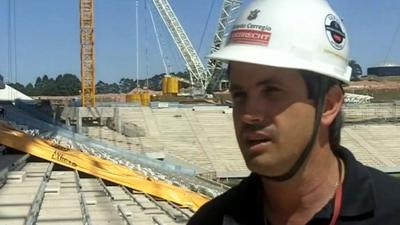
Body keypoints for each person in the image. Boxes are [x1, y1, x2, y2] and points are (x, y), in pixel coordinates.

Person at [188, 0, 400, 224]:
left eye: (272, 91)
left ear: (328, 105)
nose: (248, 115)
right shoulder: (210, 220)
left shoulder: (392, 211)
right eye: (239, 95)